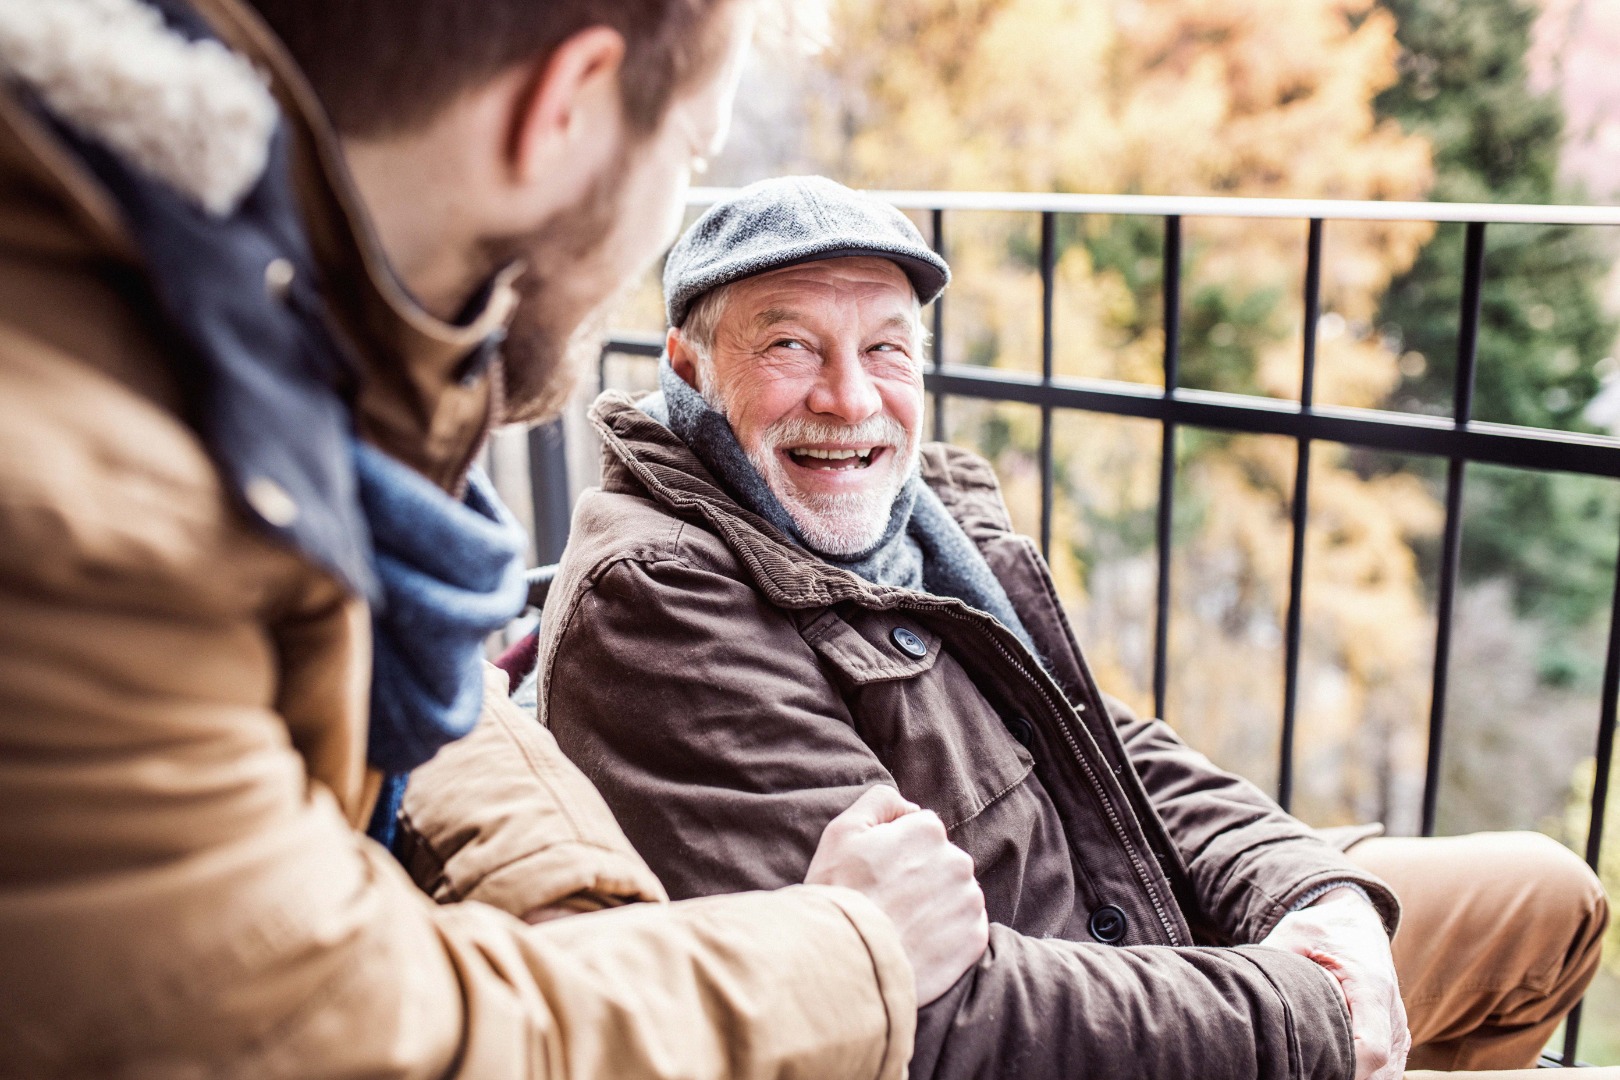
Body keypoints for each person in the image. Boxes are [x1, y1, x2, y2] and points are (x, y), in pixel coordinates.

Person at [0, 2, 990, 1076]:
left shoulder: (228, 321)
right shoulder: (71, 500)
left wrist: (580, 907)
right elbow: (345, 1032)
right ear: (561, 110)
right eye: (691, 151)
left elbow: (408, 690)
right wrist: (853, 953)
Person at [536, 175, 1614, 1080]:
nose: (853, 398)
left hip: (1129, 906)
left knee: (1544, 896)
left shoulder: (920, 516)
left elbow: (1102, 740)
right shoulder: (659, 600)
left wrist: (1308, 895)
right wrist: (1298, 1013)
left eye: (886, 348)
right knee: (1362, 1003)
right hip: (1057, 1007)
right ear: (688, 367)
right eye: (790, 346)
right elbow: (930, 1018)